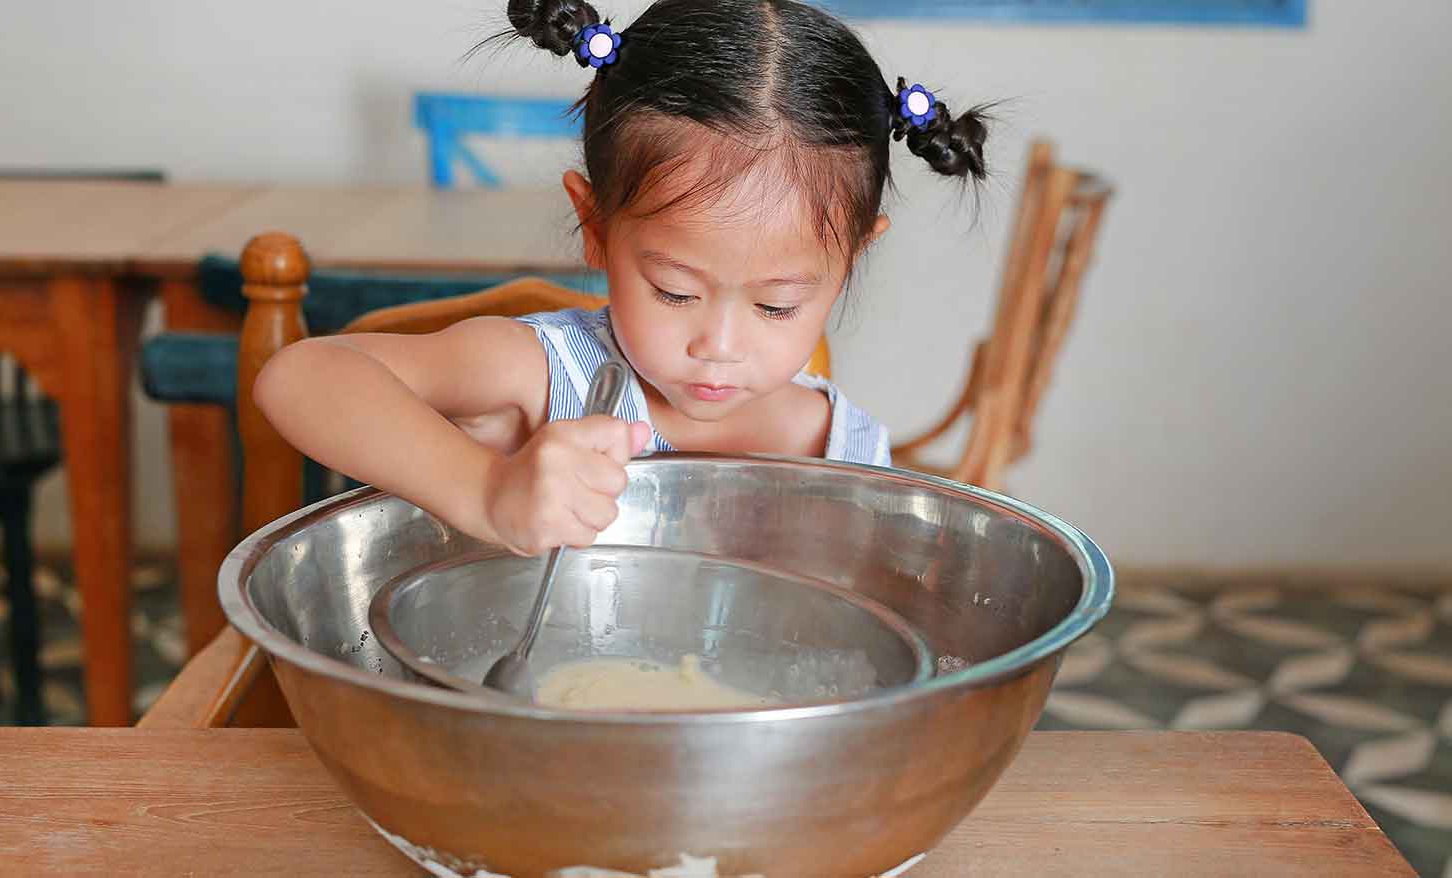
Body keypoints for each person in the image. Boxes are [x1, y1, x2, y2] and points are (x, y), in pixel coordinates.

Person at [253, 0, 989, 557]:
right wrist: (487, 489)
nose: (718, 346)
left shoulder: (848, 451)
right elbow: (303, 376)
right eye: (674, 292)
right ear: (595, 228)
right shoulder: (538, 375)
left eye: (776, 305)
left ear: (850, 261)